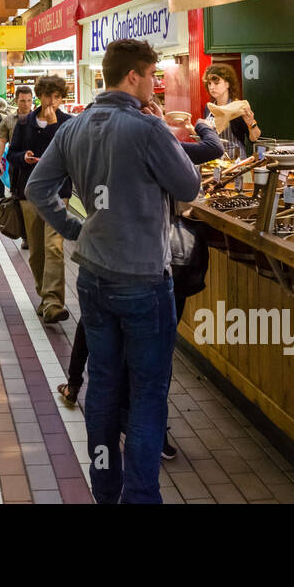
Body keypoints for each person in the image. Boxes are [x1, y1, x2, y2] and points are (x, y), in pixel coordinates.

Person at [25, 39, 201, 505]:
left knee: (103, 385)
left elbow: (38, 187)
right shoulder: (148, 129)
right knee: (146, 393)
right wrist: (164, 131)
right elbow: (189, 186)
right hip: (144, 280)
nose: (155, 83)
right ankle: (140, 496)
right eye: (152, 74)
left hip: (94, 280)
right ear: (133, 77)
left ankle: (105, 486)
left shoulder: (74, 127)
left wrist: (75, 228)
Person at [57, 112, 223, 460]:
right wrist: (202, 122)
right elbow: (211, 151)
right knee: (151, 358)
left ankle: (80, 390)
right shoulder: (159, 142)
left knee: (101, 338)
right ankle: (149, 433)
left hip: (106, 261)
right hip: (155, 265)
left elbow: (46, 187)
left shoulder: (100, 145)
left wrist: (77, 230)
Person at [8, 75, 72, 323]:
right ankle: (45, 298)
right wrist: (23, 156)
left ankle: (54, 303)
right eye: (48, 96)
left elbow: (71, 155)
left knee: (54, 246)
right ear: (39, 95)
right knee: (36, 251)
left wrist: (55, 125)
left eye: (57, 97)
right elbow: (11, 154)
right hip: (29, 193)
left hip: (59, 194)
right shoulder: (24, 124)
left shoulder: (67, 123)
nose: (51, 102)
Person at [203, 62, 262, 156]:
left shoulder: (239, 107)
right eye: (209, 84)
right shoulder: (209, 108)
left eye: (216, 83)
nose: (212, 87)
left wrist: (251, 123)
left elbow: (255, 139)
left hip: (236, 161)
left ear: (227, 84)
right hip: (215, 160)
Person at [0, 85, 32, 198]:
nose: (26, 104)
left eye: (29, 100)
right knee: (17, 196)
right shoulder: (8, 120)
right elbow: (1, 141)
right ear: (16, 101)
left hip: (36, 165)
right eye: (22, 101)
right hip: (16, 164)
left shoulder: (40, 119)